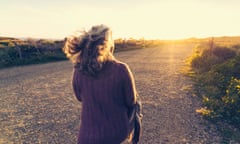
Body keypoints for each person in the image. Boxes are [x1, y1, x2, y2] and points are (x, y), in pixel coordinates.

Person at [63, 24, 141, 144]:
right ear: (109, 45)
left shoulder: (79, 69)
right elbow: (131, 101)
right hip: (116, 135)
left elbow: (79, 97)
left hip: (86, 137)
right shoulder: (121, 70)